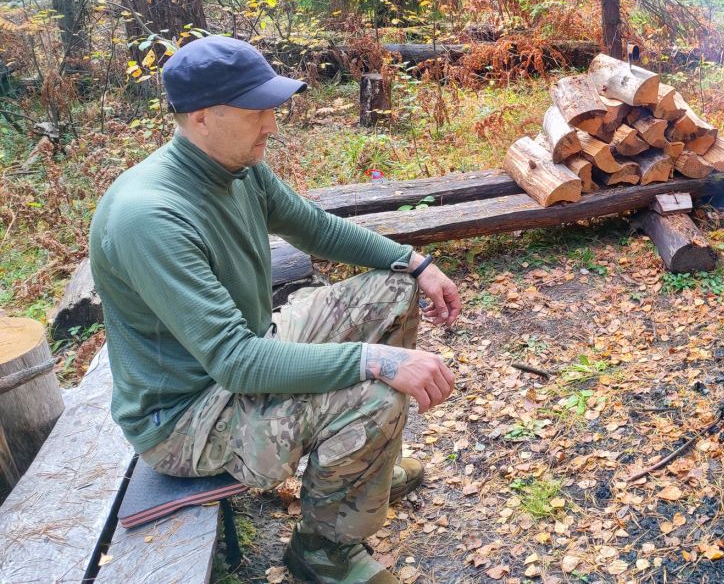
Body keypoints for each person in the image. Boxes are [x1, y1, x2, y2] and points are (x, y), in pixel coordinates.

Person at [89, 35, 460, 583]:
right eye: (257, 110)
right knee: (375, 394)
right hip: (188, 416)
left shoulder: (237, 168)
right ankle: (323, 554)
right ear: (201, 118)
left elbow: (312, 226)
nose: (272, 124)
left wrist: (413, 261)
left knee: (392, 288)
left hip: (245, 354)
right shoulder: (151, 216)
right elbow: (236, 362)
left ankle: (366, 472)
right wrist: (377, 361)